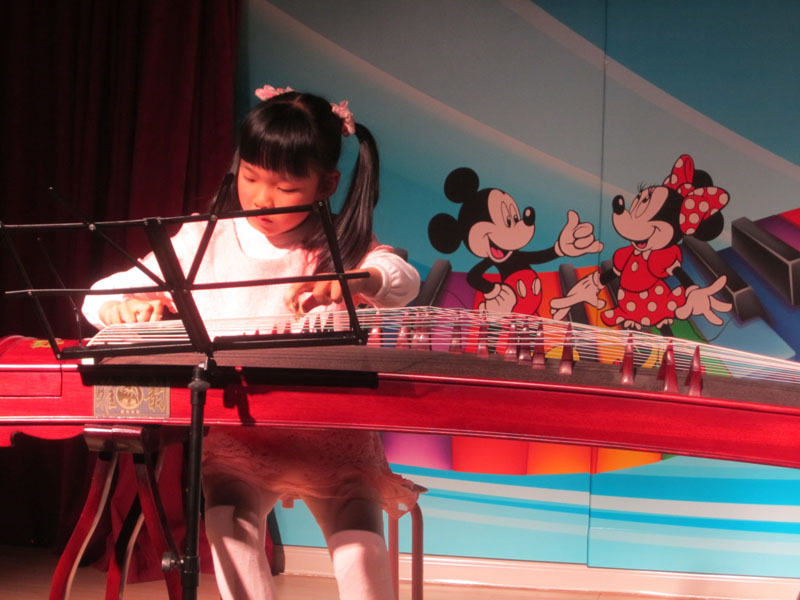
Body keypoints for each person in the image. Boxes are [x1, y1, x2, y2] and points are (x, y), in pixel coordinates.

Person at [81, 85, 422, 600]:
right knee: (228, 524)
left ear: (327, 184)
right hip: (240, 435)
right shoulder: (203, 241)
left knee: (360, 548)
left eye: (285, 187)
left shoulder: (341, 245)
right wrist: (120, 307)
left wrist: (356, 280)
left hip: (331, 436)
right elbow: (98, 295)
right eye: (250, 177)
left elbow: (401, 280)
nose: (262, 199)